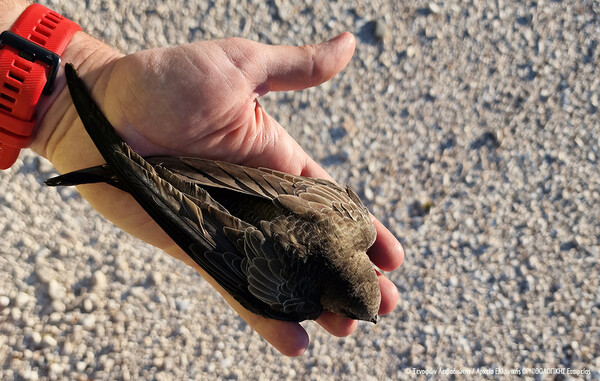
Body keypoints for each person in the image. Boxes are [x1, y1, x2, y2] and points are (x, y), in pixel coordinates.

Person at [1, 1, 404, 356]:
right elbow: (213, 243)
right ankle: (124, 164)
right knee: (154, 193)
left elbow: (280, 190)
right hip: (220, 214)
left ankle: (123, 162)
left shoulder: (351, 220)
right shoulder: (298, 299)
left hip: (243, 184)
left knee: (142, 179)